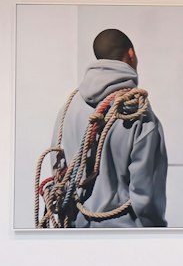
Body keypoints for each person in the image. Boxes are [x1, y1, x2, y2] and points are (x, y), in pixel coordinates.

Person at [39, 27, 168, 228]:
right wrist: (156, 233)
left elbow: (58, 168)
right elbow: (147, 196)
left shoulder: (69, 107)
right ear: (131, 54)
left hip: (74, 231)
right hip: (124, 237)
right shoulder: (138, 113)